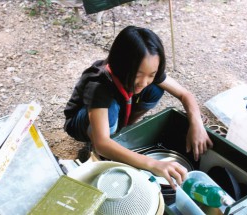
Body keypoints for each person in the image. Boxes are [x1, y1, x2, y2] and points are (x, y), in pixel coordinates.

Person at [64, 26, 213, 190]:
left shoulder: (146, 74)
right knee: (111, 110)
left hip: (117, 109)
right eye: (138, 74)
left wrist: (197, 124)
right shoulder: (99, 84)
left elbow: (185, 94)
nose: (143, 82)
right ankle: (94, 147)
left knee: (155, 89)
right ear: (123, 64)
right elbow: (102, 143)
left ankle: (123, 131)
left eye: (151, 74)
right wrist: (154, 164)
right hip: (80, 120)